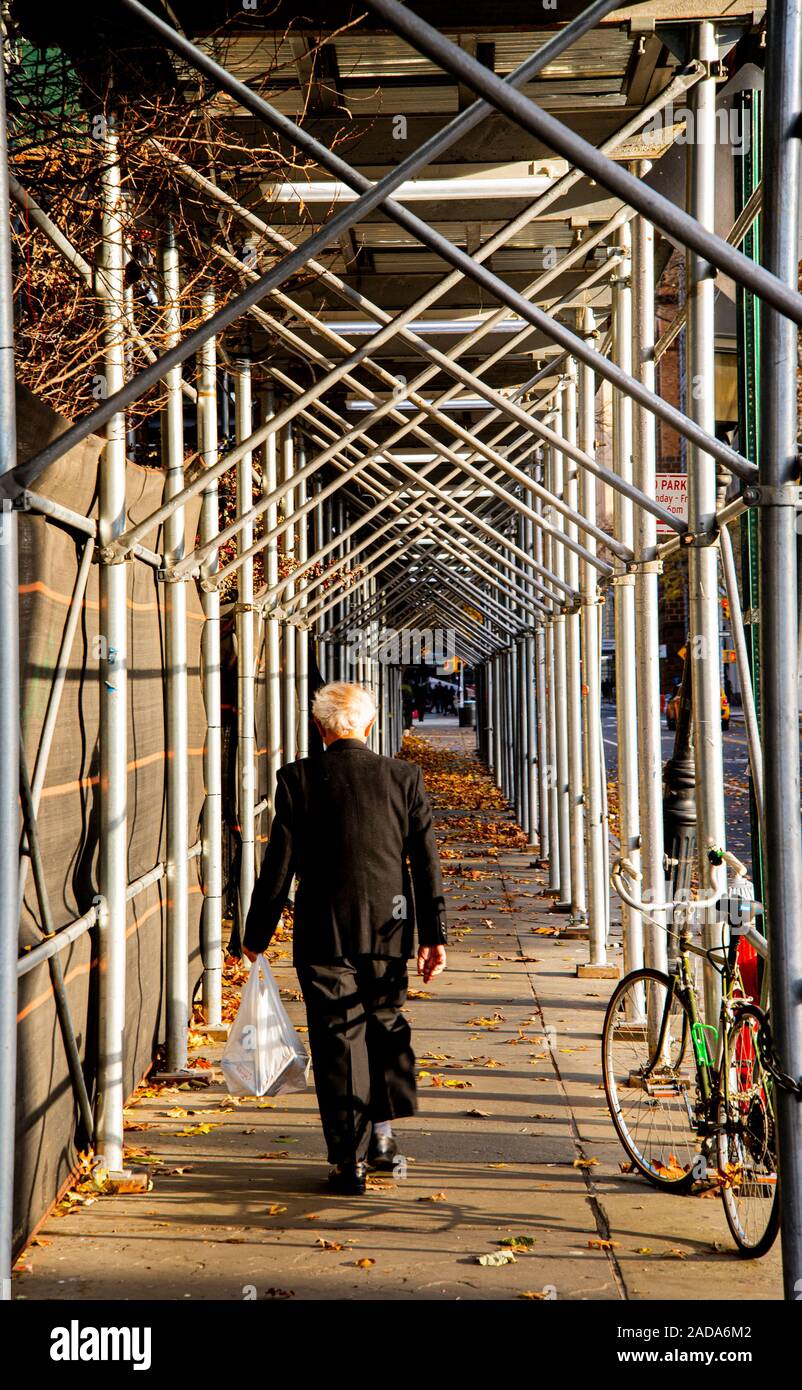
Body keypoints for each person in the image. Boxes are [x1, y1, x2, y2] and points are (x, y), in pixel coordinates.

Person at [242, 681, 448, 1196]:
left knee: (338, 1040)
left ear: (319, 728)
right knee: (385, 1025)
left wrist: (255, 933)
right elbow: (424, 863)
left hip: (324, 929)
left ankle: (345, 1161)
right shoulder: (403, 778)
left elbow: (278, 865)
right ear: (370, 725)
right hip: (390, 926)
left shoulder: (298, 779)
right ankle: (383, 1137)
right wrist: (433, 935)